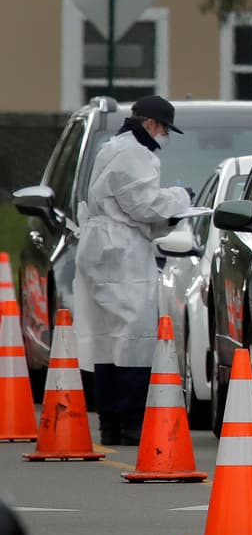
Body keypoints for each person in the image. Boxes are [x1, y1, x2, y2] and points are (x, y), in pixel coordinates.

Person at [73, 96, 191, 445]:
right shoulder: (136, 154)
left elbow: (127, 205)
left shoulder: (114, 148)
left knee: (107, 340)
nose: (165, 136)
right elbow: (143, 204)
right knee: (135, 336)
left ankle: (110, 421)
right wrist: (181, 198)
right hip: (121, 252)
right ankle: (131, 421)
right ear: (152, 124)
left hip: (104, 246)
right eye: (165, 128)